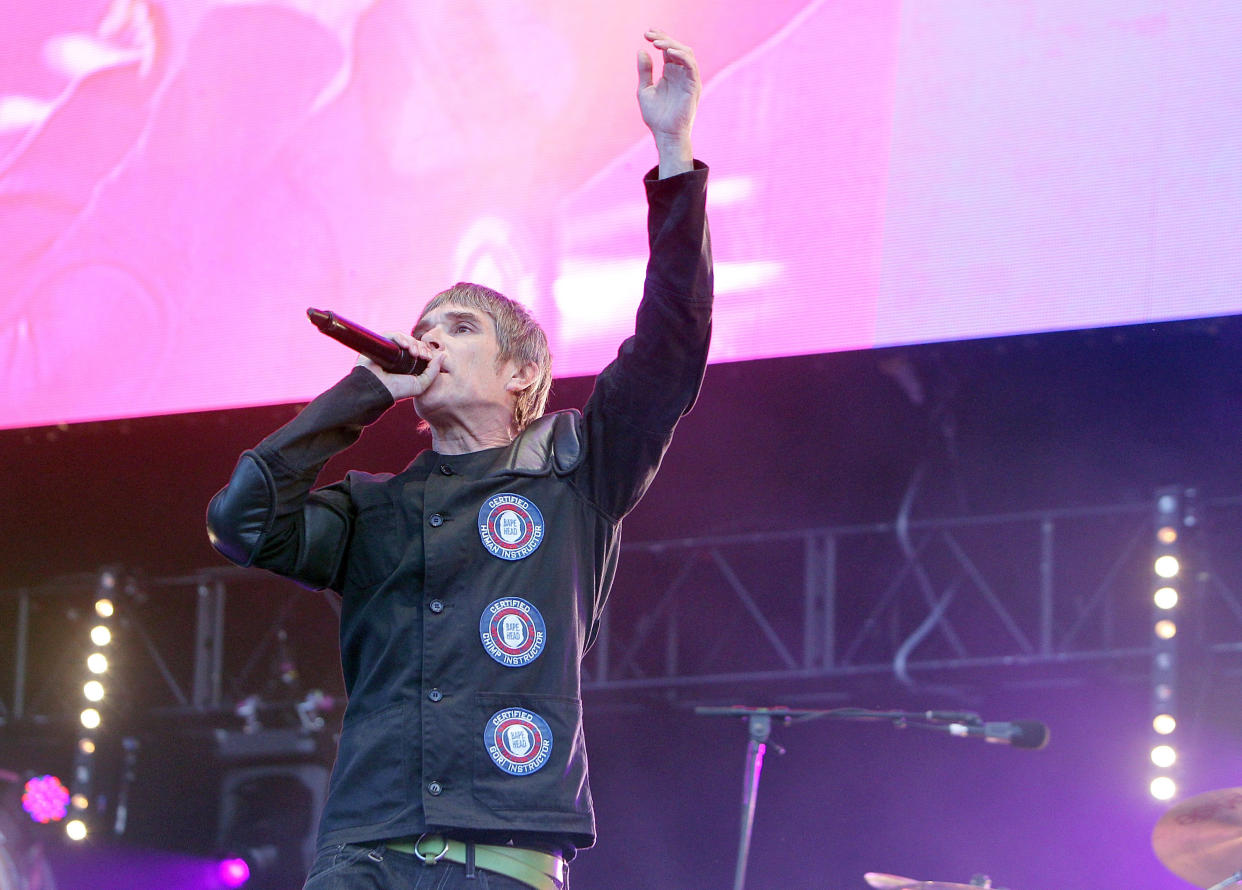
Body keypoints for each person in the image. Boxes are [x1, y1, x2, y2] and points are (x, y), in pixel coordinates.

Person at [206, 28, 711, 890]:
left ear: (522, 373)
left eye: (461, 329)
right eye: (425, 328)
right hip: (365, 854)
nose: (432, 340)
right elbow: (242, 519)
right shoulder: (372, 510)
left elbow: (670, 346)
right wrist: (365, 390)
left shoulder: (577, 472)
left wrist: (672, 151)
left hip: (503, 857)